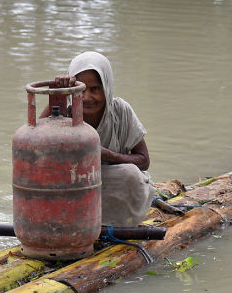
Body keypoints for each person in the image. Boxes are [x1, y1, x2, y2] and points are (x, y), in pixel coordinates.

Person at [45, 51, 156, 226]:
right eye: (81, 89)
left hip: (111, 187)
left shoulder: (121, 111)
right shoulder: (64, 110)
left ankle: (113, 224)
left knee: (131, 175)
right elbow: (37, 144)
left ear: (107, 87)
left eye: (95, 89)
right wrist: (58, 95)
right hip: (73, 186)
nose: (87, 97)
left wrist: (106, 155)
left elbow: (143, 161)